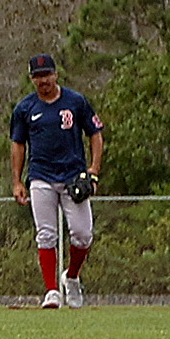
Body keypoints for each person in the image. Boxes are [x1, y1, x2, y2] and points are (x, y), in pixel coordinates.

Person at [8, 53, 103, 307]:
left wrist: (93, 170)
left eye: (47, 75)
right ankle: (51, 291)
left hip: (73, 176)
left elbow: (95, 134)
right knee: (46, 235)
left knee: (82, 235)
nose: (43, 81)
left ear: (56, 75)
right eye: (38, 76)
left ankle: (71, 277)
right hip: (41, 176)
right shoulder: (25, 108)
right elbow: (18, 145)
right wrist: (17, 181)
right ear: (31, 79)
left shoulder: (76, 101)